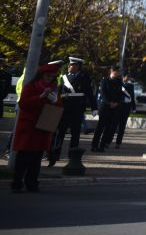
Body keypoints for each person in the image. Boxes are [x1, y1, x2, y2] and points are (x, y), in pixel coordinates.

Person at [11, 63, 61, 192]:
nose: (49, 79)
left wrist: (56, 101)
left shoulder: (54, 88)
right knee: (23, 157)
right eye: (47, 76)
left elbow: (59, 108)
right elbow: (23, 103)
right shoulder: (31, 86)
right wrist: (40, 97)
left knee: (36, 158)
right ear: (41, 75)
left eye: (52, 77)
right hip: (29, 126)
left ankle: (32, 182)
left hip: (42, 127)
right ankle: (17, 183)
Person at [49, 56, 97, 165]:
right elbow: (60, 89)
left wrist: (94, 107)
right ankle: (56, 154)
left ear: (77, 66)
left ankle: (73, 155)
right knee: (60, 132)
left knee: (75, 133)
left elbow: (89, 92)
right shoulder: (64, 77)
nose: (69, 67)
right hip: (65, 106)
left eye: (71, 65)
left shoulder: (84, 77)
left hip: (77, 107)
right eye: (69, 65)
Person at [90, 66, 123, 152]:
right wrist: (109, 102)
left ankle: (102, 145)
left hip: (114, 107)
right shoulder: (105, 80)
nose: (119, 73)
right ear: (112, 71)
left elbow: (120, 94)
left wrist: (116, 103)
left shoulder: (119, 81)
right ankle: (94, 145)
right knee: (100, 127)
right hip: (105, 106)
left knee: (108, 128)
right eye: (117, 71)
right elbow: (103, 93)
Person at [113, 73, 135, 147]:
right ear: (123, 77)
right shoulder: (118, 83)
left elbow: (132, 96)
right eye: (126, 77)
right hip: (118, 106)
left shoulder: (131, 86)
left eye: (128, 77)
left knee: (122, 126)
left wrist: (133, 107)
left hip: (126, 107)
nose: (127, 78)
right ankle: (108, 140)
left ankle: (118, 143)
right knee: (114, 124)